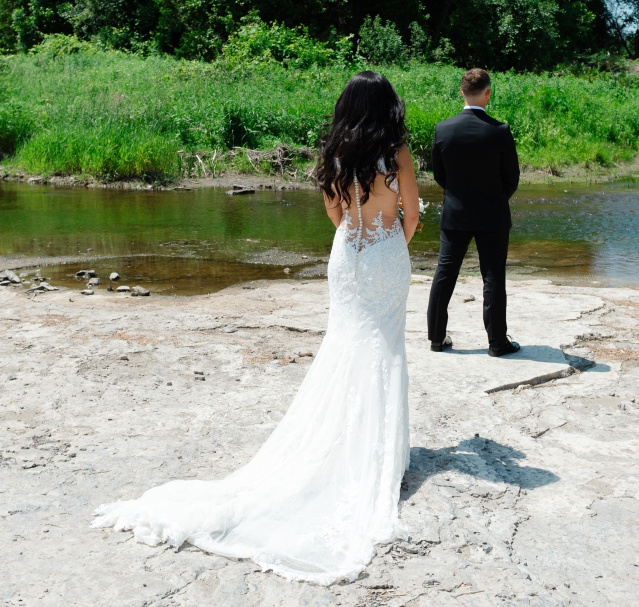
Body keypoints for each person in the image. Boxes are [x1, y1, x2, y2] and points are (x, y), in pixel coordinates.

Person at [92, 71, 418, 585]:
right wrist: (388, 246)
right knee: (385, 349)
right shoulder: (397, 153)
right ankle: (381, 454)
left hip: (349, 257)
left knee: (345, 345)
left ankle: (346, 444)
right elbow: (413, 214)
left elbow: (336, 214)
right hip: (387, 258)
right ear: (387, 106)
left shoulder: (336, 153)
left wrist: (358, 241)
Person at [426, 68, 521, 357]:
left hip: (455, 213)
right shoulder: (500, 131)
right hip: (493, 215)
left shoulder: (443, 129)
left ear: (461, 93)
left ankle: (436, 338)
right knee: (493, 277)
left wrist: (458, 196)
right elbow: (512, 178)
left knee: (444, 274)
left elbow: (438, 174)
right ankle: (497, 342)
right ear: (488, 93)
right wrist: (492, 199)